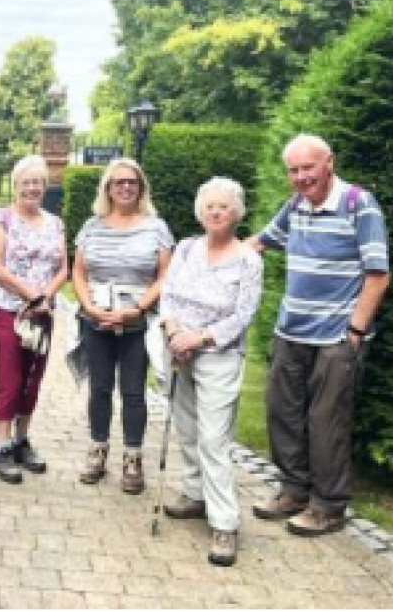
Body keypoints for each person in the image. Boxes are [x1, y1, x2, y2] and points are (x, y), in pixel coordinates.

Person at [250, 134, 390, 537]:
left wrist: (355, 332)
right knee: (283, 413)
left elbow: (378, 275)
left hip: (335, 337)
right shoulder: (294, 207)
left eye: (307, 168)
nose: (300, 177)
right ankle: (293, 491)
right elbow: (258, 244)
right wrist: (205, 257)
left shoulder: (358, 204)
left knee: (326, 422)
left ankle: (328, 505)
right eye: (293, 170)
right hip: (291, 330)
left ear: (329, 162)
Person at [158, 177, 263, 566]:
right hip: (177, 346)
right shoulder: (185, 249)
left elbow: (243, 316)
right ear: (200, 211)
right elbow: (167, 294)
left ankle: (224, 523)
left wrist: (198, 338)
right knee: (185, 427)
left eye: (224, 207)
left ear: (236, 213)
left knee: (213, 438)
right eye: (209, 206)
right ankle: (194, 493)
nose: (216, 212)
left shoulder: (249, 259)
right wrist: (172, 331)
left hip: (217, 354)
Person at [72, 157, 173, 492]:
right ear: (108, 189)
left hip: (137, 322)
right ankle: (97, 452)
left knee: (133, 392)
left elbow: (165, 276)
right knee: (99, 389)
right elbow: (79, 272)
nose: (126, 187)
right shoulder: (91, 226)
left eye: (132, 182)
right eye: (119, 183)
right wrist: (88, 306)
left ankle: (133, 460)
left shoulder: (156, 228)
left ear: (141, 188)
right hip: (95, 319)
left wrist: (139, 308)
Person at [0, 155, 68, 484]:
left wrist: (45, 297)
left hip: (43, 313)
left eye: (38, 183)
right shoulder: (1, 219)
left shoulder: (55, 223)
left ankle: (22, 440)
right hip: (9, 309)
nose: (32, 188)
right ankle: (1, 447)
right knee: (11, 376)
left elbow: (63, 268)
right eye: (26, 183)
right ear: (15, 185)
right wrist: (30, 296)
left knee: (33, 377)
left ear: (44, 187)